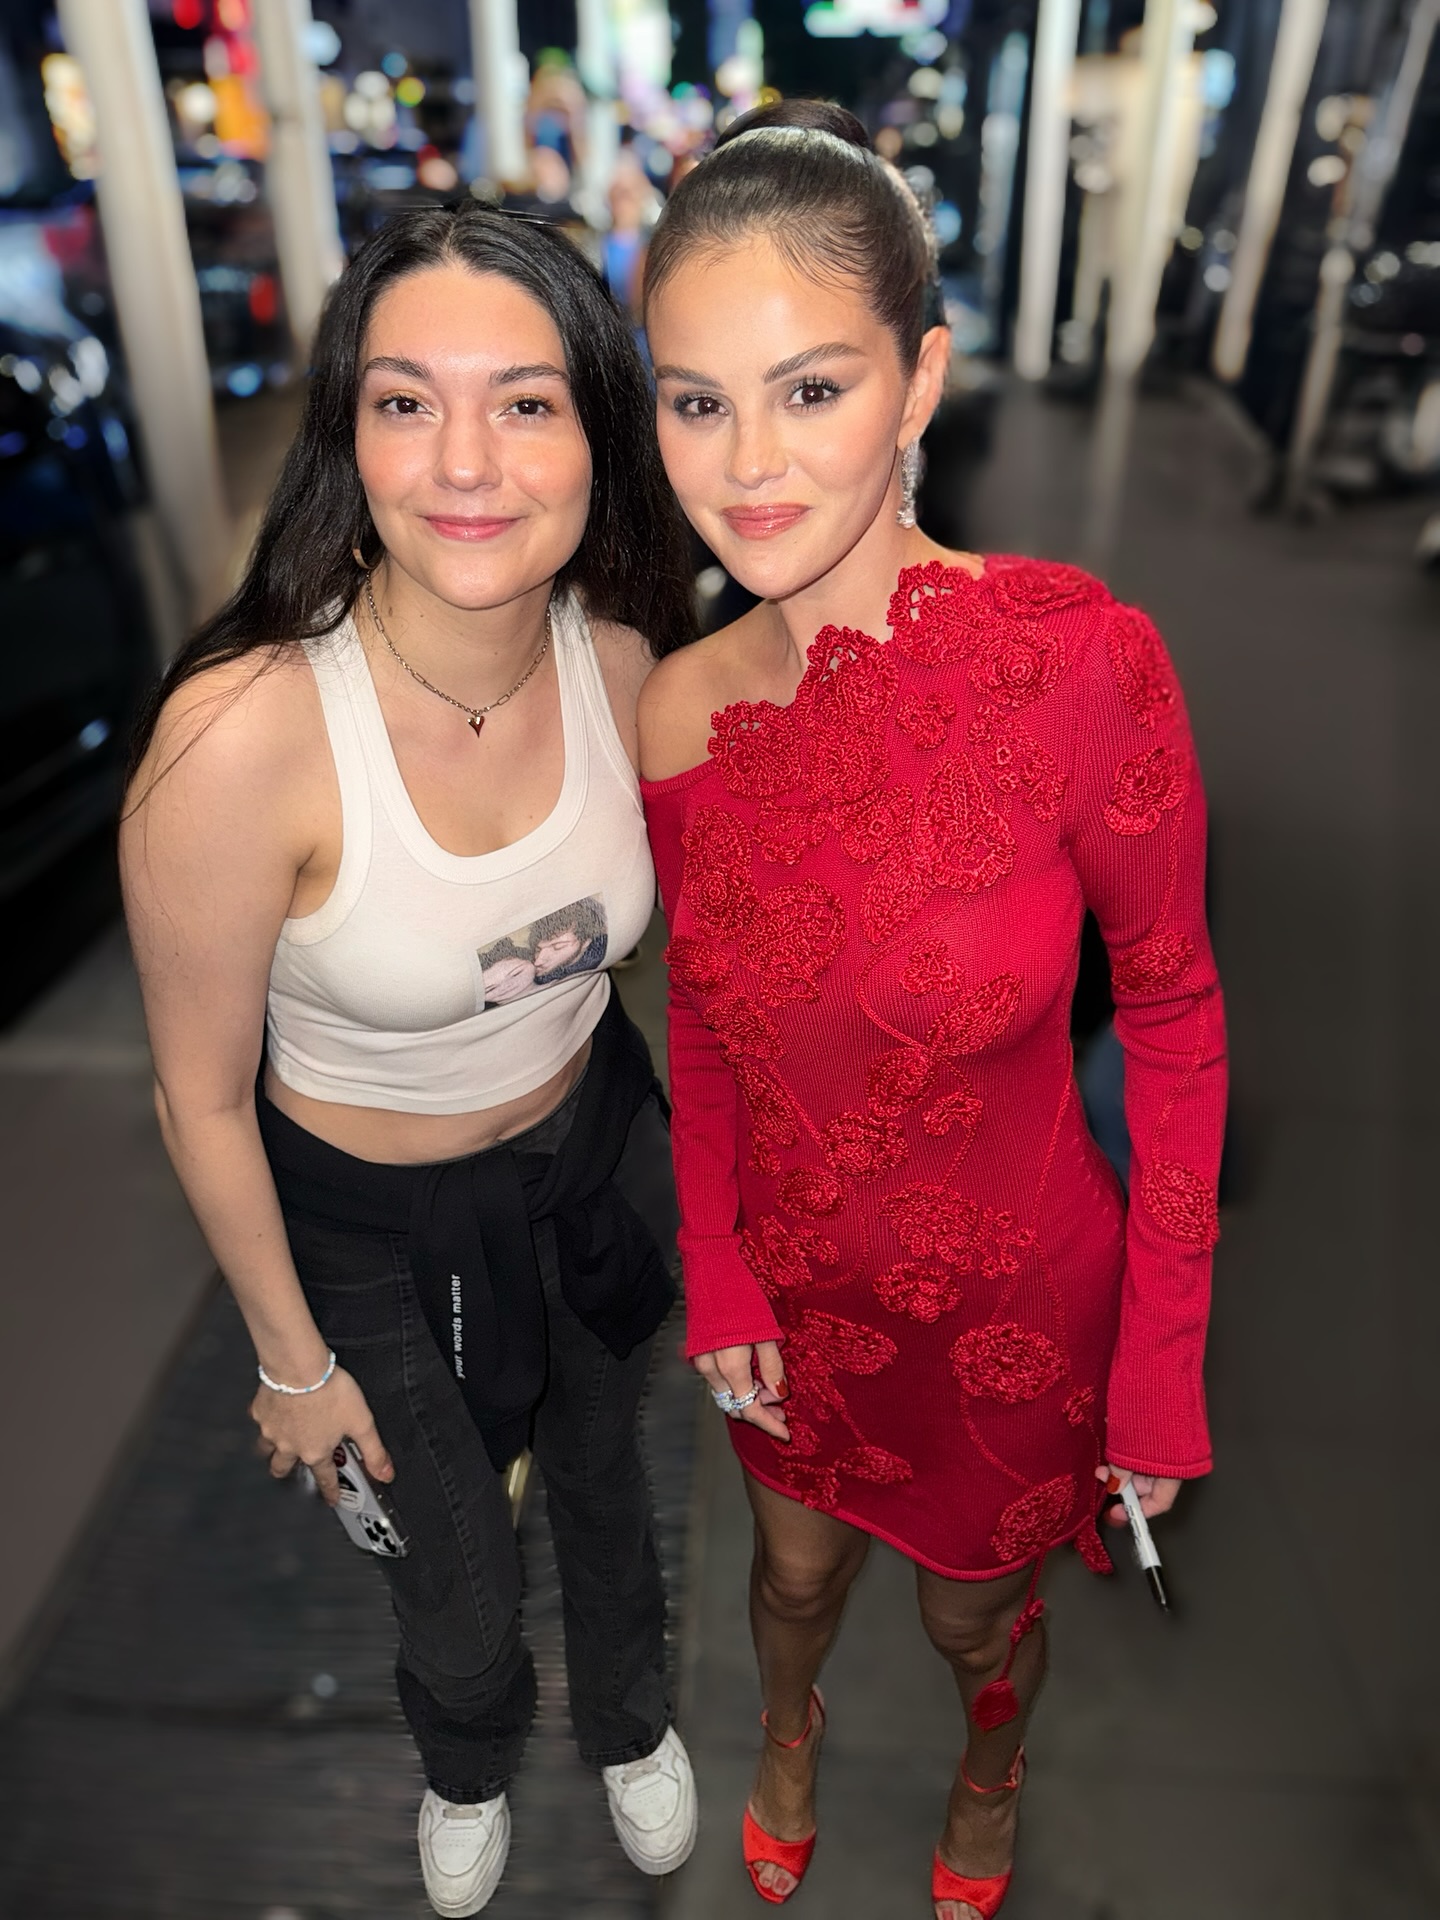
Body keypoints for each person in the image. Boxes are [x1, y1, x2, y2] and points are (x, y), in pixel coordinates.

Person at [636, 102, 1226, 1919]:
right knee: (790, 1580)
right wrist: (716, 1265)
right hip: (793, 1304)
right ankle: (788, 1729)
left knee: (979, 1622)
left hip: (1015, 1314)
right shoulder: (678, 708)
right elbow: (711, 1023)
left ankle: (989, 1774)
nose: (747, 464)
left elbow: (1177, 1019)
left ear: (922, 383)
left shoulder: (1079, 664)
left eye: (810, 390)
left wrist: (1161, 1370)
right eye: (696, 400)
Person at [121, 204, 701, 1918]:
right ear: (346, 434)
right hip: (366, 1233)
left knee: (608, 1477)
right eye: (403, 402)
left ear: (600, 433)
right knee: (451, 1570)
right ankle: (468, 1756)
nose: (463, 462)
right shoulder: (241, 738)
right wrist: (290, 1361)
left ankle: (634, 1722)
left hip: (594, 1151)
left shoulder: (624, 658)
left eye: (525, 403)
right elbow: (197, 1095)